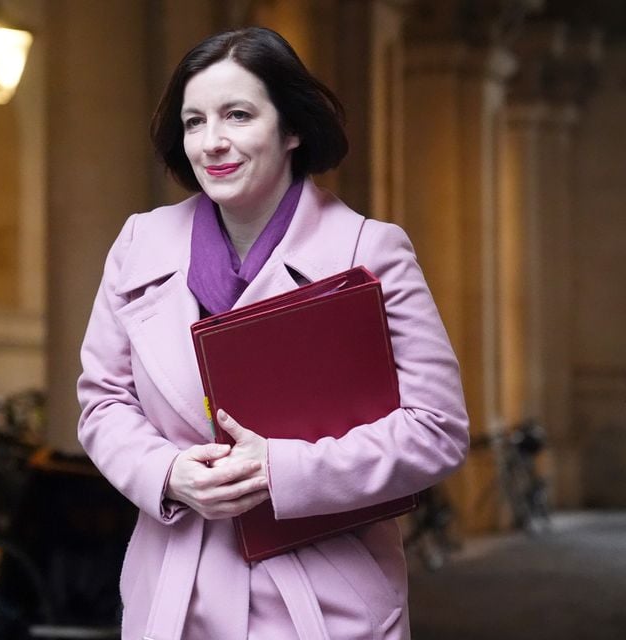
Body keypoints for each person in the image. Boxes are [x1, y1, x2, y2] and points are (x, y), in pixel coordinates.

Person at [76, 26, 469, 640]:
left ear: (291, 130)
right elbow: (102, 401)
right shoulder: (138, 244)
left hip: (324, 598)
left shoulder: (371, 250)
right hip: (174, 595)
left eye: (237, 115)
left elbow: (436, 430)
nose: (213, 142)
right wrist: (167, 472)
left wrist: (283, 469)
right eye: (194, 121)